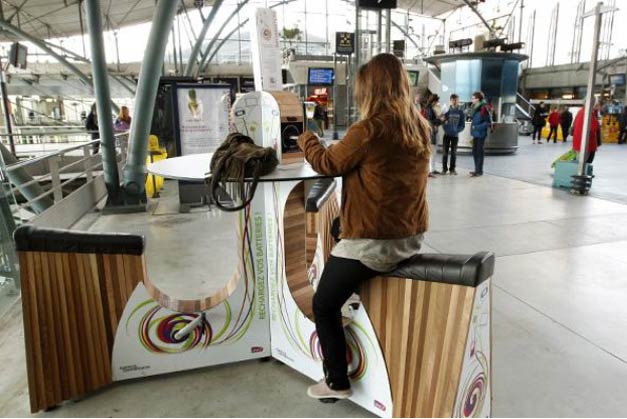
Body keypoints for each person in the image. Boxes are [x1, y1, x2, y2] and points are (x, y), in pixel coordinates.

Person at [297, 53, 431, 401]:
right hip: (410, 235)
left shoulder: (370, 128)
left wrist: (306, 138)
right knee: (339, 227)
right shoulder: (418, 125)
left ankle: (337, 381)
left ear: (369, 89)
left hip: (376, 243)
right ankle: (354, 299)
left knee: (323, 304)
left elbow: (328, 163)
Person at [440, 93, 465, 175]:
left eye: (456, 100)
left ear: (458, 101)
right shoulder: (446, 111)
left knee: (454, 153)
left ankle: (452, 169)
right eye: (453, 100)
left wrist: (456, 131)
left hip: (455, 136)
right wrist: (446, 129)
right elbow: (443, 121)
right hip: (446, 135)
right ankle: (444, 169)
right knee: (445, 153)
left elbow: (462, 125)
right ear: (450, 101)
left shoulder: (461, 112)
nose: (454, 102)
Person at [469, 91, 491, 177]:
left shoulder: (483, 108)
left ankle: (479, 171)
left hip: (481, 133)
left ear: (478, 99)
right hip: (475, 133)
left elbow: (488, 122)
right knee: (475, 151)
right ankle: (476, 170)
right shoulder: (475, 108)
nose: (472, 100)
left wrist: (477, 127)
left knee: (479, 152)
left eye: (473, 98)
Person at [423, 93, 441, 176]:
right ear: (433, 101)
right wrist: (441, 120)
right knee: (431, 151)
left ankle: (432, 169)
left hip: (432, 131)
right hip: (431, 132)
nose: (437, 103)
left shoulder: (429, 108)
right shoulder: (429, 109)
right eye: (436, 101)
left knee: (433, 152)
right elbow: (431, 121)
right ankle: (429, 170)